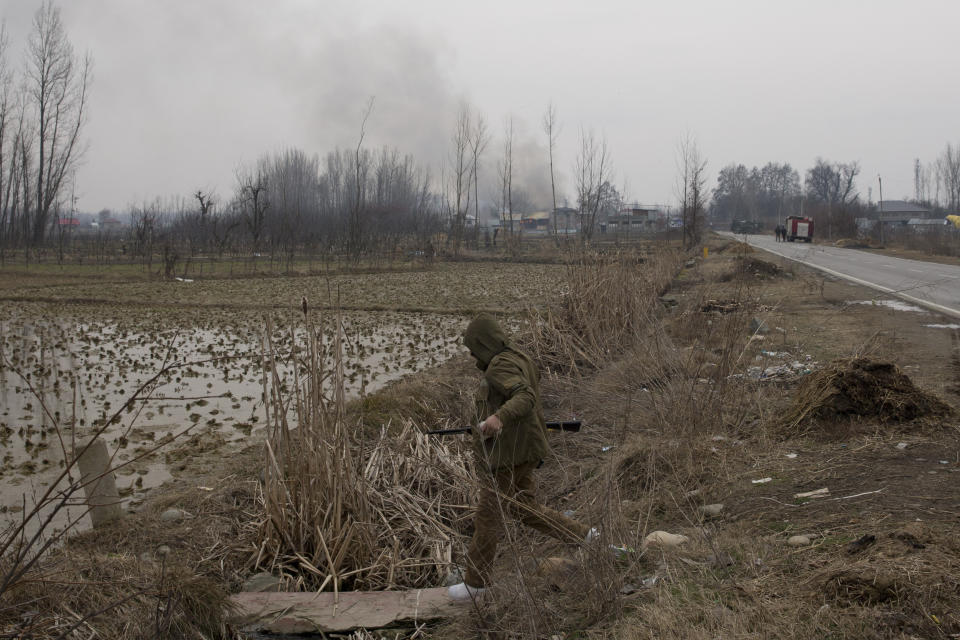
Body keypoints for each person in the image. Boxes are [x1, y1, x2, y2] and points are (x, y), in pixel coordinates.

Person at [448, 314, 597, 602]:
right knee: (523, 508)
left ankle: (476, 585)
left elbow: (524, 396)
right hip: (523, 451)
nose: (471, 355)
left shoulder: (499, 366)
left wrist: (497, 418)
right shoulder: (518, 357)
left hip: (507, 458)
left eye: (472, 348)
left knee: (488, 516)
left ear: (483, 343)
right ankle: (586, 536)